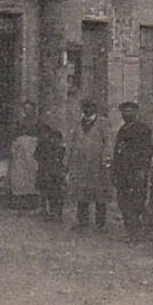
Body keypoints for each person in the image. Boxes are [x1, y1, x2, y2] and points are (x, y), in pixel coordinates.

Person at [66, 99, 113, 231]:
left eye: (90, 106)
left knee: (100, 194)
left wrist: (106, 160)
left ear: (95, 108)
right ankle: (82, 221)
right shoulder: (78, 124)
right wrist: (69, 162)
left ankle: (100, 224)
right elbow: (72, 143)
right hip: (81, 164)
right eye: (85, 107)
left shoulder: (103, 123)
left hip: (97, 164)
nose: (87, 109)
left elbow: (108, 142)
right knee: (82, 193)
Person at [110, 101, 153, 238]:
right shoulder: (122, 130)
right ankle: (130, 231)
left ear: (136, 113)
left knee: (137, 201)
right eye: (124, 112)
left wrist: (142, 169)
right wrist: (114, 170)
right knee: (123, 201)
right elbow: (117, 152)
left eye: (130, 111)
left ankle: (138, 232)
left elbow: (147, 151)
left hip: (136, 171)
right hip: (123, 171)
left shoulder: (142, 129)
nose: (126, 114)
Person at [7, 100, 45, 208]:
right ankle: (20, 200)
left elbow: (41, 136)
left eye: (30, 109)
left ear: (34, 110)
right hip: (20, 152)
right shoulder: (19, 123)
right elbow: (14, 136)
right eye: (26, 109)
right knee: (20, 173)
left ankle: (33, 199)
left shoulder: (38, 123)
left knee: (32, 173)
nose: (28, 112)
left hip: (32, 151)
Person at [35, 127, 67, 222]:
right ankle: (52, 212)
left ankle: (58, 214)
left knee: (59, 195)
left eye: (57, 139)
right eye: (53, 139)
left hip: (59, 175)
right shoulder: (46, 149)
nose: (55, 141)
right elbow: (39, 158)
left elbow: (65, 162)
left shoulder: (63, 150)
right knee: (51, 194)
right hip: (50, 174)